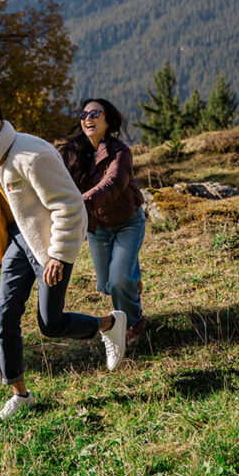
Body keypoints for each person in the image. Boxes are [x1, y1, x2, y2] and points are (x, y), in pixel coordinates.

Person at [0, 98, 127, 421]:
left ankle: (109, 323)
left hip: (50, 246)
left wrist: (59, 257)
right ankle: (20, 395)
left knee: (50, 324)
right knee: (5, 316)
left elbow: (70, 206)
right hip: (20, 240)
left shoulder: (31, 156)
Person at [57, 98, 147, 346]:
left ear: (108, 120)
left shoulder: (120, 152)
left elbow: (113, 184)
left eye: (95, 113)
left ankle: (134, 322)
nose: (88, 118)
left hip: (128, 222)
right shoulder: (72, 153)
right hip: (98, 228)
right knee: (107, 285)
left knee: (119, 282)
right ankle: (130, 279)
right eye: (83, 114)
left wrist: (78, 204)